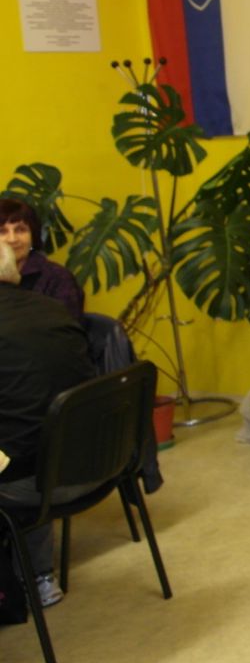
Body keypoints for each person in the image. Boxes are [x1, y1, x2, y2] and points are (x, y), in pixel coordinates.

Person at [0, 242, 97, 609]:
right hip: (95, 462)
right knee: (28, 434)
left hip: (31, 484)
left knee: (16, 448)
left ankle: (21, 580)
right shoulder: (53, 308)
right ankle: (39, 576)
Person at [0, 198, 84, 321]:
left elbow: (65, 328)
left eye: (20, 230)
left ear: (33, 236)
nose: (12, 239)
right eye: (2, 231)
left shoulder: (58, 278)